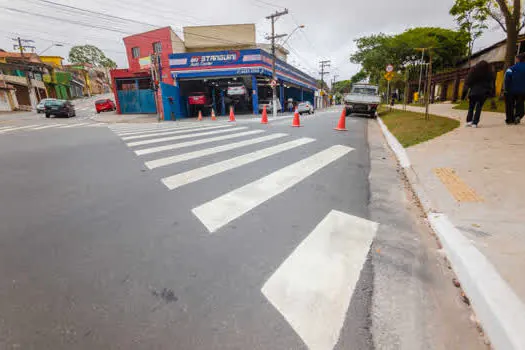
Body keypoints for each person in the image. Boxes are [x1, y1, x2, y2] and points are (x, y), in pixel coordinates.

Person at [462, 60, 495, 128]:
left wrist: (464, 94)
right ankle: (475, 123)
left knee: (471, 107)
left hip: (473, 91)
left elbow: (468, 82)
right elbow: (491, 84)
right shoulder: (489, 73)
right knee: (479, 107)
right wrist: (491, 93)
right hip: (483, 92)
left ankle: (469, 121)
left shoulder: (473, 71)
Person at [504, 52, 525, 125]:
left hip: (511, 90)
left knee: (509, 104)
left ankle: (510, 120)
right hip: (523, 90)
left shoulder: (511, 68)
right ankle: (518, 115)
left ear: (518, 59)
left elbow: (507, 79)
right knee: (520, 103)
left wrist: (506, 89)